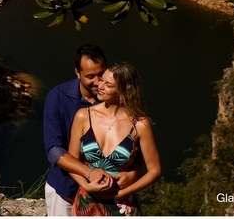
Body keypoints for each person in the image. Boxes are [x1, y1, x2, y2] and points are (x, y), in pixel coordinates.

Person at [43, 45, 139, 216]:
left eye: (101, 74)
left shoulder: (116, 97)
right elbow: (54, 150)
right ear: (77, 73)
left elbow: (137, 146)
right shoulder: (57, 97)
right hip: (64, 189)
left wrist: (133, 174)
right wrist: (90, 173)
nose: (97, 82)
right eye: (90, 76)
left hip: (109, 194)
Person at [67, 61, 161, 216]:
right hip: (86, 203)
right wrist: (86, 185)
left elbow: (155, 171)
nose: (100, 86)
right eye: (102, 80)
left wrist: (124, 193)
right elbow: (72, 161)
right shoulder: (83, 116)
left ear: (124, 91)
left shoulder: (140, 125)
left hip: (123, 206)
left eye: (108, 84)